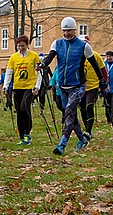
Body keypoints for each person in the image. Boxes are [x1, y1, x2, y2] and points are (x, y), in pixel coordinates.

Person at [38, 17, 106, 156]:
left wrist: (102, 80)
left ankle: (62, 144)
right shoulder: (57, 44)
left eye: (69, 30)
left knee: (69, 111)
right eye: (64, 31)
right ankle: (82, 140)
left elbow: (95, 64)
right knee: (71, 116)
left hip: (78, 86)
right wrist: (43, 64)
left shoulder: (84, 46)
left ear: (74, 30)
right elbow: (50, 57)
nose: (66, 33)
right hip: (62, 86)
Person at [2, 35, 41, 145]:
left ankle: (27, 132)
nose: (20, 48)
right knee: (19, 111)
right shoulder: (13, 57)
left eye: (23, 46)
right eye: (18, 46)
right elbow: (9, 72)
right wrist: (6, 86)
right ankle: (21, 135)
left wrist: (37, 86)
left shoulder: (34, 56)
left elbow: (39, 73)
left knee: (25, 107)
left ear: (27, 45)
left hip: (30, 87)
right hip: (17, 87)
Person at [79, 35, 105, 138]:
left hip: (93, 86)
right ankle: (86, 127)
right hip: (80, 86)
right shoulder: (76, 56)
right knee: (82, 108)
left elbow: (103, 70)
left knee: (89, 106)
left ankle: (89, 131)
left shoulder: (95, 56)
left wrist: (104, 82)